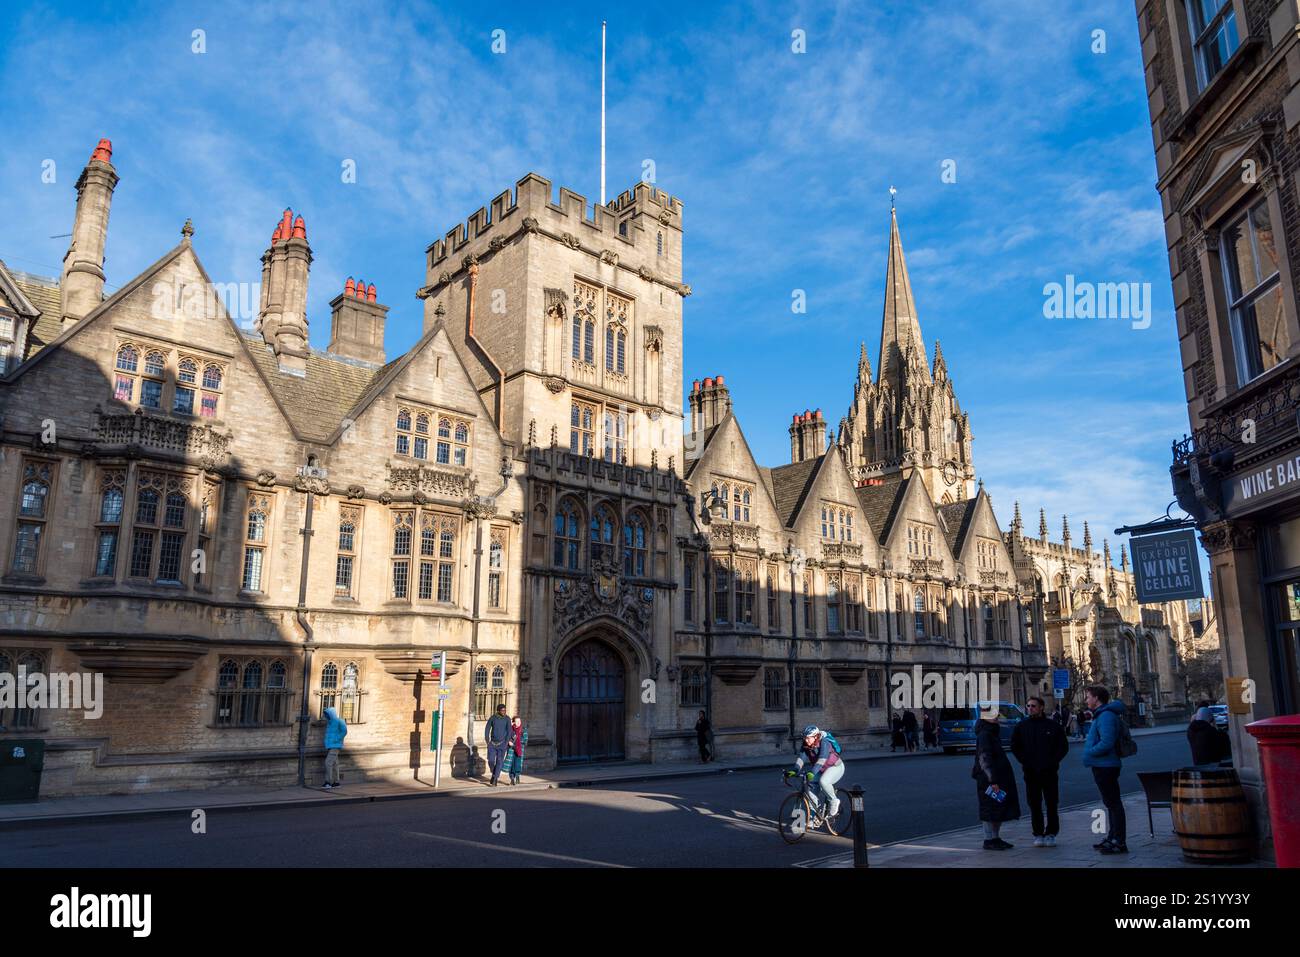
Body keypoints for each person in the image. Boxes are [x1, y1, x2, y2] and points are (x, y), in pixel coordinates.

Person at [1010, 696, 1070, 847]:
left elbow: (1063, 747)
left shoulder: (1053, 726)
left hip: (1049, 771)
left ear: (1041, 707)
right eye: (1028, 706)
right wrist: (1025, 761)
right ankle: (1038, 833)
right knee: (1034, 804)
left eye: (1033, 706)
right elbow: (1015, 747)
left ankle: (1051, 833)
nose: (1030, 708)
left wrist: (1052, 761)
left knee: (1051, 803)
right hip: (1030, 772)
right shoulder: (1022, 726)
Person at [1082, 685, 1128, 855]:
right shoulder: (1102, 715)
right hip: (1103, 765)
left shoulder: (1106, 716)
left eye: (1088, 696)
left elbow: (1107, 742)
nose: (1086, 700)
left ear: (1096, 698)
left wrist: (1089, 752)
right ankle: (1112, 837)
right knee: (1110, 803)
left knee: (1114, 804)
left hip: (1106, 765)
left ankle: (1119, 841)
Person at [973, 709, 1021, 849]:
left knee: (998, 807)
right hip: (988, 779)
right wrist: (992, 780)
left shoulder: (992, 732)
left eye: (996, 714)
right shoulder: (984, 735)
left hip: (998, 777)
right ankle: (988, 840)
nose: (995, 717)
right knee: (990, 808)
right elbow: (984, 757)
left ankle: (995, 838)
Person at [787, 725, 846, 821]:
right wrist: (795, 770)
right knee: (810, 787)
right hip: (821, 769)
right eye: (805, 738)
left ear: (815, 737)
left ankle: (834, 801)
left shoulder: (824, 742)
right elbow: (801, 758)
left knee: (824, 781)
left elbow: (822, 760)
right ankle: (814, 816)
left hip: (836, 767)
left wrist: (812, 772)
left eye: (808, 738)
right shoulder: (806, 745)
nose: (806, 740)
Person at [484, 703, 512, 786]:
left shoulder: (507, 719)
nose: (504, 712)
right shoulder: (493, 718)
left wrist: (506, 742)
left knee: (499, 761)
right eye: (502, 710)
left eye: (505, 710)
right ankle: (494, 773)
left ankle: (495, 778)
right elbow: (487, 728)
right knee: (491, 761)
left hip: (502, 744)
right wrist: (487, 740)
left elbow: (509, 731)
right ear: (498, 710)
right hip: (492, 744)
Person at [322, 705, 347, 790]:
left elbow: (344, 731)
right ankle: (336, 782)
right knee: (335, 764)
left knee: (328, 762)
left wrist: (336, 740)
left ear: (331, 714)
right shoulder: (329, 723)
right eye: (326, 715)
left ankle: (328, 782)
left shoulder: (339, 721)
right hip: (330, 746)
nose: (326, 716)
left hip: (335, 746)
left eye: (328, 714)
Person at [502, 715, 528, 785]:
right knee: (511, 765)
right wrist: (509, 742)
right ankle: (512, 779)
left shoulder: (523, 729)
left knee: (517, 764)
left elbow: (525, 741)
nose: (518, 722)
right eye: (516, 721)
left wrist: (515, 743)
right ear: (513, 722)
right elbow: (506, 738)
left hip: (519, 750)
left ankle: (517, 777)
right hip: (511, 750)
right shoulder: (510, 729)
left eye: (519, 721)